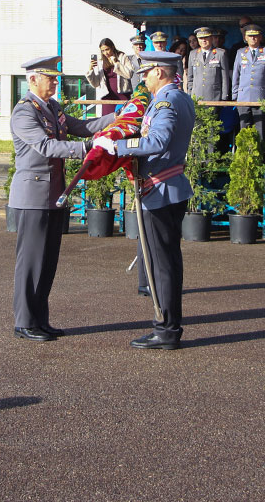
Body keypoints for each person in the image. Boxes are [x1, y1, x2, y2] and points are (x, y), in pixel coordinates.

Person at [8, 56, 114, 342]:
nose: (55, 82)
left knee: (47, 262)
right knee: (31, 262)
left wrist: (117, 117)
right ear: (33, 80)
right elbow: (46, 146)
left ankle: (40, 320)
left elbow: (81, 126)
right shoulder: (24, 112)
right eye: (50, 78)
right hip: (32, 196)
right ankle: (24, 322)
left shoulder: (52, 107)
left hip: (54, 193)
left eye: (56, 78)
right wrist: (89, 147)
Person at [93, 51, 195, 350]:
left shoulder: (166, 101)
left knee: (161, 265)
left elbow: (157, 141)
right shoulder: (179, 98)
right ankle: (167, 326)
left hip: (161, 190)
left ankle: (166, 329)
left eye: (147, 73)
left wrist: (118, 146)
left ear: (159, 73)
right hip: (169, 187)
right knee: (166, 262)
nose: (144, 79)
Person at [231, 24, 265, 140]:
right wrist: (235, 95)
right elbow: (236, 75)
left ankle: (259, 152)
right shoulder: (240, 52)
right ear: (245, 38)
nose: (253, 38)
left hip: (260, 96)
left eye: (255, 36)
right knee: (244, 130)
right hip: (243, 96)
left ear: (260, 37)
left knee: (259, 131)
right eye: (250, 36)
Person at [85, 38, 133, 117]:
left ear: (112, 47)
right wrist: (90, 70)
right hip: (107, 97)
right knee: (107, 120)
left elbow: (129, 74)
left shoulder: (122, 57)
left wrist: (116, 63)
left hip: (123, 95)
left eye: (107, 49)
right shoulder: (100, 61)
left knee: (123, 119)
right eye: (103, 51)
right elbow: (95, 84)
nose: (105, 53)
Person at [187, 26, 233, 102]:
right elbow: (190, 78)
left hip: (214, 97)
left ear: (211, 38)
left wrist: (224, 97)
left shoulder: (220, 53)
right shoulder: (193, 54)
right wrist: (190, 94)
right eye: (201, 38)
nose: (204, 40)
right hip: (196, 97)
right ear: (198, 39)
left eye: (206, 37)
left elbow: (225, 78)